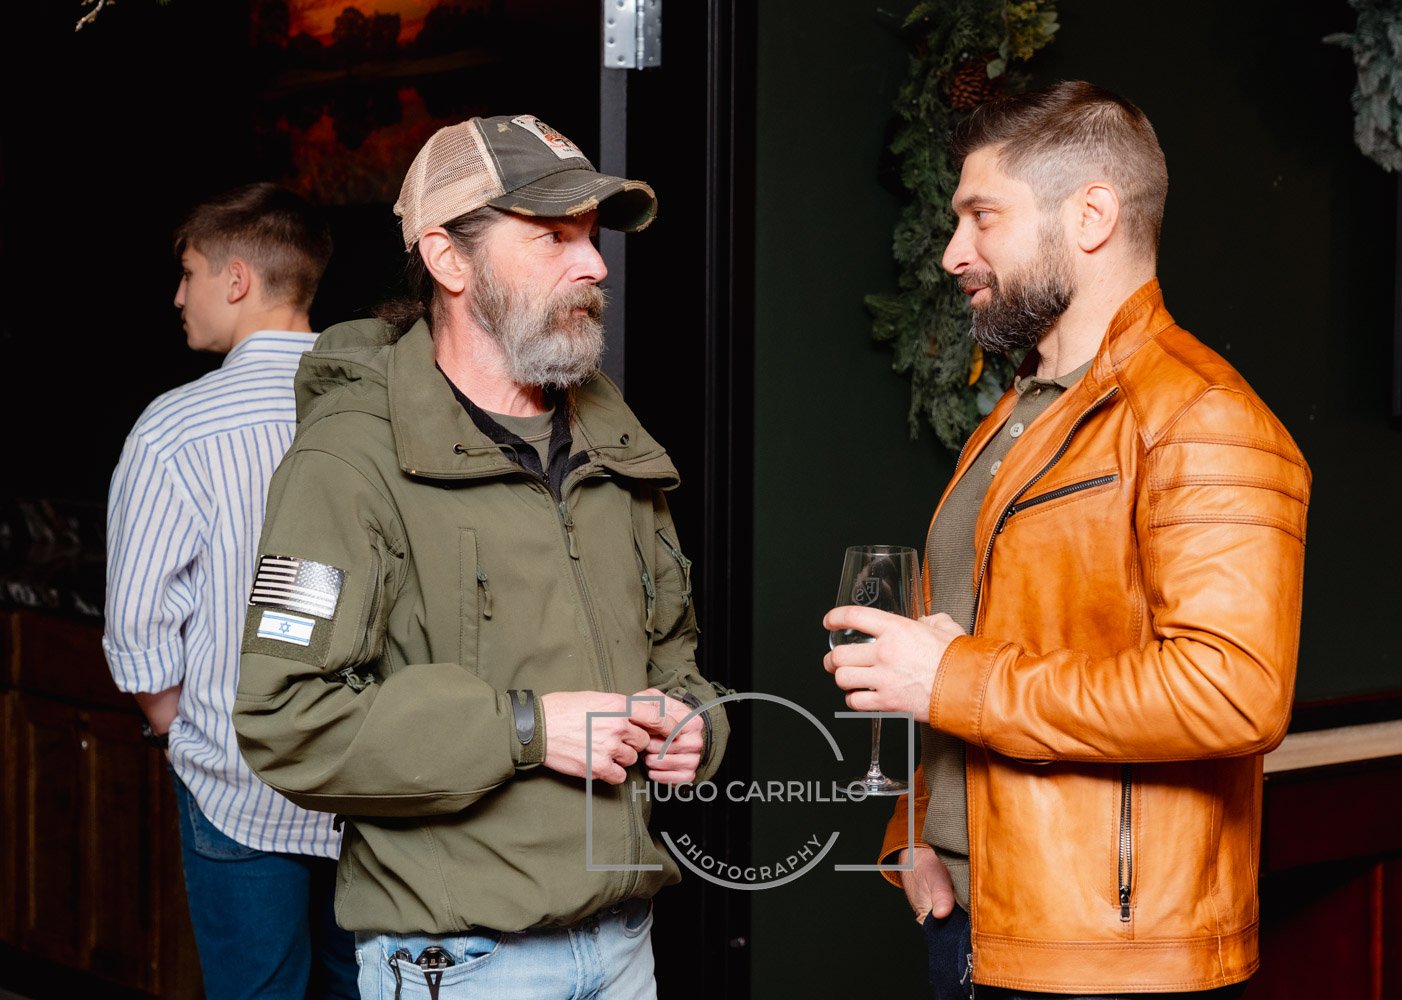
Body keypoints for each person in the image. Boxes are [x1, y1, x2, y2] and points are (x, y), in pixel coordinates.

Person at [823, 81, 1311, 998]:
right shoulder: (1017, 416)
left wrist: (957, 680)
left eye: (982, 217)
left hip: (1108, 961)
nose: (952, 253)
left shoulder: (1200, 415)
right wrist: (914, 838)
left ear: (1091, 215)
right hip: (974, 926)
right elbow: (960, 638)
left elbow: (1234, 692)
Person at [232, 114, 729, 1000]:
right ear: (448, 260)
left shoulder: (614, 440)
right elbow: (286, 721)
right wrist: (529, 731)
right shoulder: (351, 457)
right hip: (463, 965)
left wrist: (693, 723)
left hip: (625, 945)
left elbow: (676, 655)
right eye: (552, 238)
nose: (595, 266)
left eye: (591, 237)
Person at [103, 183, 356, 999]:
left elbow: (140, 625)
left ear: (237, 279)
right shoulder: (382, 410)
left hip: (239, 781)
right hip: (373, 781)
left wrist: (184, 733)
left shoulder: (179, 426)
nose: (179, 295)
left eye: (189, 273)